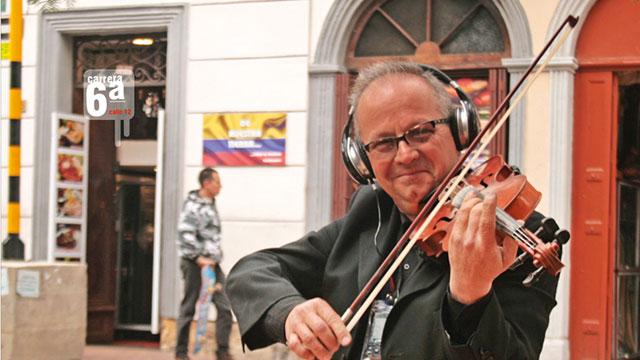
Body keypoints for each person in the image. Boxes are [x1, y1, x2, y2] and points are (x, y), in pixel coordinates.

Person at [226, 62, 563, 359]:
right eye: (384, 143)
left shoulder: (517, 235)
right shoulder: (371, 213)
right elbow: (252, 272)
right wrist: (290, 312)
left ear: (461, 130)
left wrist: (470, 298)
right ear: (362, 161)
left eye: (420, 132)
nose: (404, 155)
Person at [175, 168, 234, 360]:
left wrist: (213, 259)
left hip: (213, 265)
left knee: (224, 307)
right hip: (194, 263)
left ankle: (222, 352)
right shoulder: (192, 205)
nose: (221, 186)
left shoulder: (211, 203)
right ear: (207, 183)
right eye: (217, 182)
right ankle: (181, 353)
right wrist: (199, 259)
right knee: (189, 306)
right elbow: (185, 235)